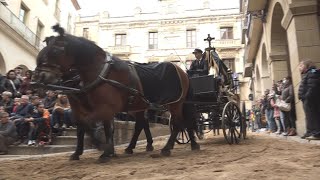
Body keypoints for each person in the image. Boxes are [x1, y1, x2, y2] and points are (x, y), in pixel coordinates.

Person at [298, 60, 320, 140]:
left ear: (306, 65)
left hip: (311, 99)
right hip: (307, 99)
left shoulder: (312, 72)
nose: (299, 68)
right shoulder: (308, 73)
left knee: (313, 116)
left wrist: (307, 96)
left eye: (301, 65)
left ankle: (317, 133)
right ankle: (310, 132)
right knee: (309, 116)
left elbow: (312, 86)